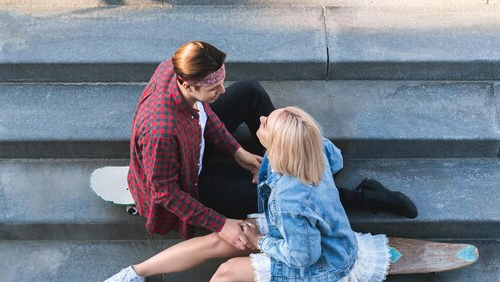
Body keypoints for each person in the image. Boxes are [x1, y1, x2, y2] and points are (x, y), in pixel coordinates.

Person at [87, 107, 392, 282]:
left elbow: (303, 257)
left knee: (228, 271)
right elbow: (333, 157)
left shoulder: (291, 201)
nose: (259, 119)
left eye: (265, 124)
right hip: (300, 235)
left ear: (278, 144)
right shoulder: (312, 147)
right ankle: (135, 274)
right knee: (221, 237)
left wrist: (261, 242)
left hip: (322, 266)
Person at [127, 41, 417, 248]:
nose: (222, 91)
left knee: (250, 91)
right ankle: (361, 197)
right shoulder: (161, 133)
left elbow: (203, 115)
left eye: (221, 81)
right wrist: (221, 223)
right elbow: (166, 193)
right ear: (187, 85)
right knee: (274, 195)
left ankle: (287, 159)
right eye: (214, 88)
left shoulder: (174, 67)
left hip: (195, 144)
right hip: (193, 181)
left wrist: (236, 151)